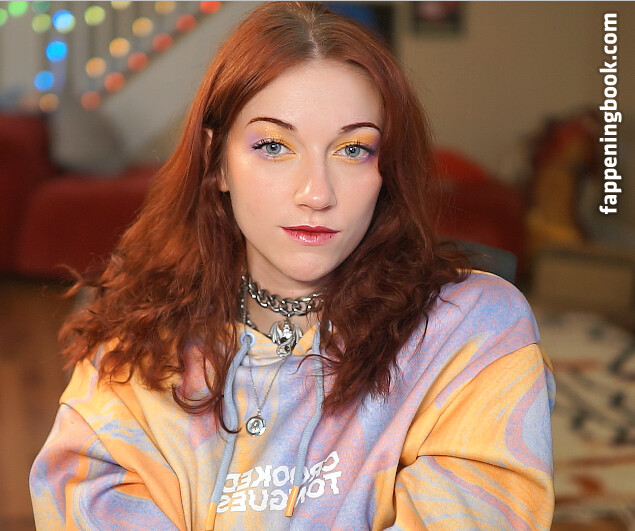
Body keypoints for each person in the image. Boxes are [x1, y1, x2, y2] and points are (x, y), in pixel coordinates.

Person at [30, 2, 555, 530]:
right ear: (217, 162)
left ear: (387, 168)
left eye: (353, 149)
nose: (317, 193)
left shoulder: (470, 332)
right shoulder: (130, 349)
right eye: (274, 146)